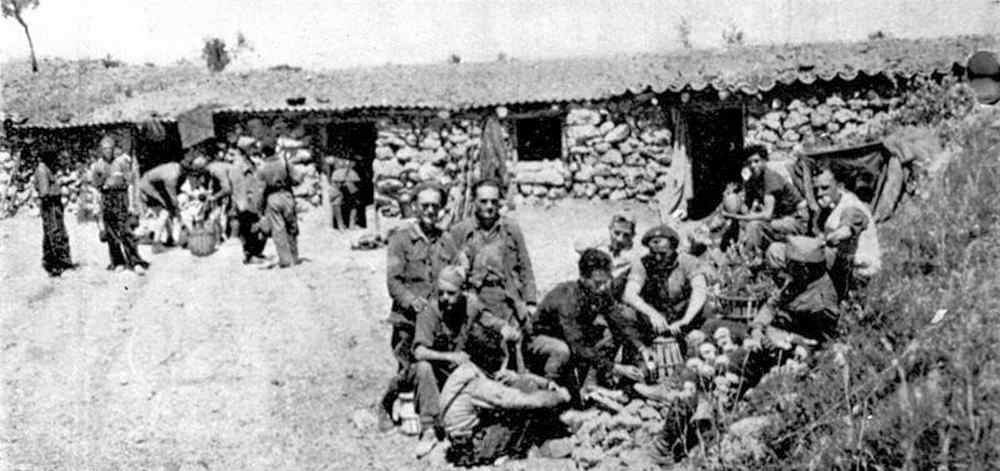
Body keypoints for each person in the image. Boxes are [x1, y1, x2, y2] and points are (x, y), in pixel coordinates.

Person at [382, 184, 466, 431]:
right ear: (416, 207)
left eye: (435, 206)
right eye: (425, 206)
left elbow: (456, 273)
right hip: (408, 318)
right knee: (408, 368)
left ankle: (431, 412)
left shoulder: (446, 241)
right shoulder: (400, 240)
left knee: (435, 368)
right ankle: (388, 403)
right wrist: (410, 300)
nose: (430, 211)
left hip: (437, 319)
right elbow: (393, 281)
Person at [440, 326, 571, 467]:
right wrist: (559, 397)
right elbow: (523, 400)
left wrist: (544, 383)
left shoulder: (466, 370)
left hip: (461, 441)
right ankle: (524, 451)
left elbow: (518, 379)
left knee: (524, 385)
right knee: (525, 403)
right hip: (472, 447)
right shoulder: (478, 383)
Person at [528, 249, 646, 393]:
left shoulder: (600, 292)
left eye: (606, 282)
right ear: (583, 278)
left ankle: (596, 384)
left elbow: (619, 321)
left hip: (571, 336)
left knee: (610, 335)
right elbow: (577, 345)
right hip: (541, 340)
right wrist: (616, 367)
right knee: (562, 350)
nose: (602, 287)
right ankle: (549, 387)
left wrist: (641, 348)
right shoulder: (568, 297)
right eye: (597, 283)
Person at [450, 178, 538, 341]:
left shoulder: (511, 229)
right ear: (474, 202)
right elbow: (449, 273)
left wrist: (531, 302)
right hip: (476, 299)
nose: (489, 207)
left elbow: (525, 267)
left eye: (493, 202)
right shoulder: (460, 231)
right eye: (483, 201)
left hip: (508, 297)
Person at [622, 225, 709, 343]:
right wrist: (652, 314)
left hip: (684, 315)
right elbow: (630, 294)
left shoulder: (689, 262)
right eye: (653, 253)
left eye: (663, 254)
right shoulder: (643, 263)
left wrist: (686, 320)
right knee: (627, 314)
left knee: (708, 312)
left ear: (673, 248)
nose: (657, 258)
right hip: (656, 319)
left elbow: (700, 291)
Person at [750, 236, 840, 345]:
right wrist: (758, 327)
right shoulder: (800, 281)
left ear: (804, 268)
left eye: (791, 264)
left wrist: (784, 338)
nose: (787, 267)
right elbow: (772, 305)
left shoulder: (822, 301)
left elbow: (821, 341)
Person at [720, 145, 806, 254]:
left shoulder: (770, 178)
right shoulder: (752, 181)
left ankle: (756, 256)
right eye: (749, 162)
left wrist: (736, 216)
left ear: (765, 161)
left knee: (756, 225)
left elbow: (767, 214)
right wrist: (734, 201)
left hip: (797, 218)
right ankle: (753, 254)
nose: (753, 165)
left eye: (756, 161)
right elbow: (747, 208)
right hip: (780, 217)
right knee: (752, 224)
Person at [812, 166, 882, 299]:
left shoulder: (851, 206)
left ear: (839, 186)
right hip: (845, 264)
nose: (819, 193)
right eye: (816, 189)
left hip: (861, 270)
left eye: (825, 188)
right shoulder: (833, 205)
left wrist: (827, 240)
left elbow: (846, 230)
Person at [90, 136, 148, 273]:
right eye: (104, 149)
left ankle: (135, 262)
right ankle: (118, 262)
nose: (107, 151)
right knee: (111, 233)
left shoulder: (122, 162)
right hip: (107, 198)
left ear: (113, 149)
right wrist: (96, 206)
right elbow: (95, 189)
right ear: (101, 150)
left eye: (110, 148)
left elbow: (130, 185)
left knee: (126, 230)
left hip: (121, 197)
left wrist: (132, 204)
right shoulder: (97, 166)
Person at [255, 141, 302, 268]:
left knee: (278, 229)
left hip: (272, 198)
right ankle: (295, 256)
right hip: (287, 195)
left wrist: (259, 208)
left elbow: (260, 191)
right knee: (291, 226)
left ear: (263, 153)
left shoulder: (261, 168)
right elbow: (298, 179)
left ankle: (285, 260)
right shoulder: (285, 162)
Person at [574, 212, 640, 300]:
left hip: (611, 295)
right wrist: (603, 240)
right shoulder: (601, 243)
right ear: (610, 229)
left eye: (626, 235)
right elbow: (578, 246)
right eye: (616, 233)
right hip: (589, 289)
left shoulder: (633, 255)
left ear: (633, 236)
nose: (620, 239)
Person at [34, 150, 76, 276]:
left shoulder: (45, 168)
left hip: (52, 203)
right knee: (56, 232)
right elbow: (45, 192)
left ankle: (50, 262)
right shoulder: (42, 170)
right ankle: (59, 264)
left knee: (50, 233)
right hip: (51, 204)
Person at [229, 147, 268, 264]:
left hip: (251, 200)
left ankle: (255, 252)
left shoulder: (248, 163)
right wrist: (244, 201)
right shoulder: (239, 166)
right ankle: (250, 255)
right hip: (245, 202)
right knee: (249, 229)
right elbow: (239, 187)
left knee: (254, 228)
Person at [137, 161, 189, 247]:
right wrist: (177, 208)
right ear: (183, 171)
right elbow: (172, 195)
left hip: (152, 184)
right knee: (165, 213)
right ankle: (156, 242)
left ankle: (169, 238)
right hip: (147, 186)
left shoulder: (175, 166)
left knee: (167, 213)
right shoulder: (172, 176)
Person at [329, 157, 361, 230]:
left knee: (354, 199)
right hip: (340, 175)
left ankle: (350, 224)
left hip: (349, 175)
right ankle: (342, 224)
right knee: (337, 199)